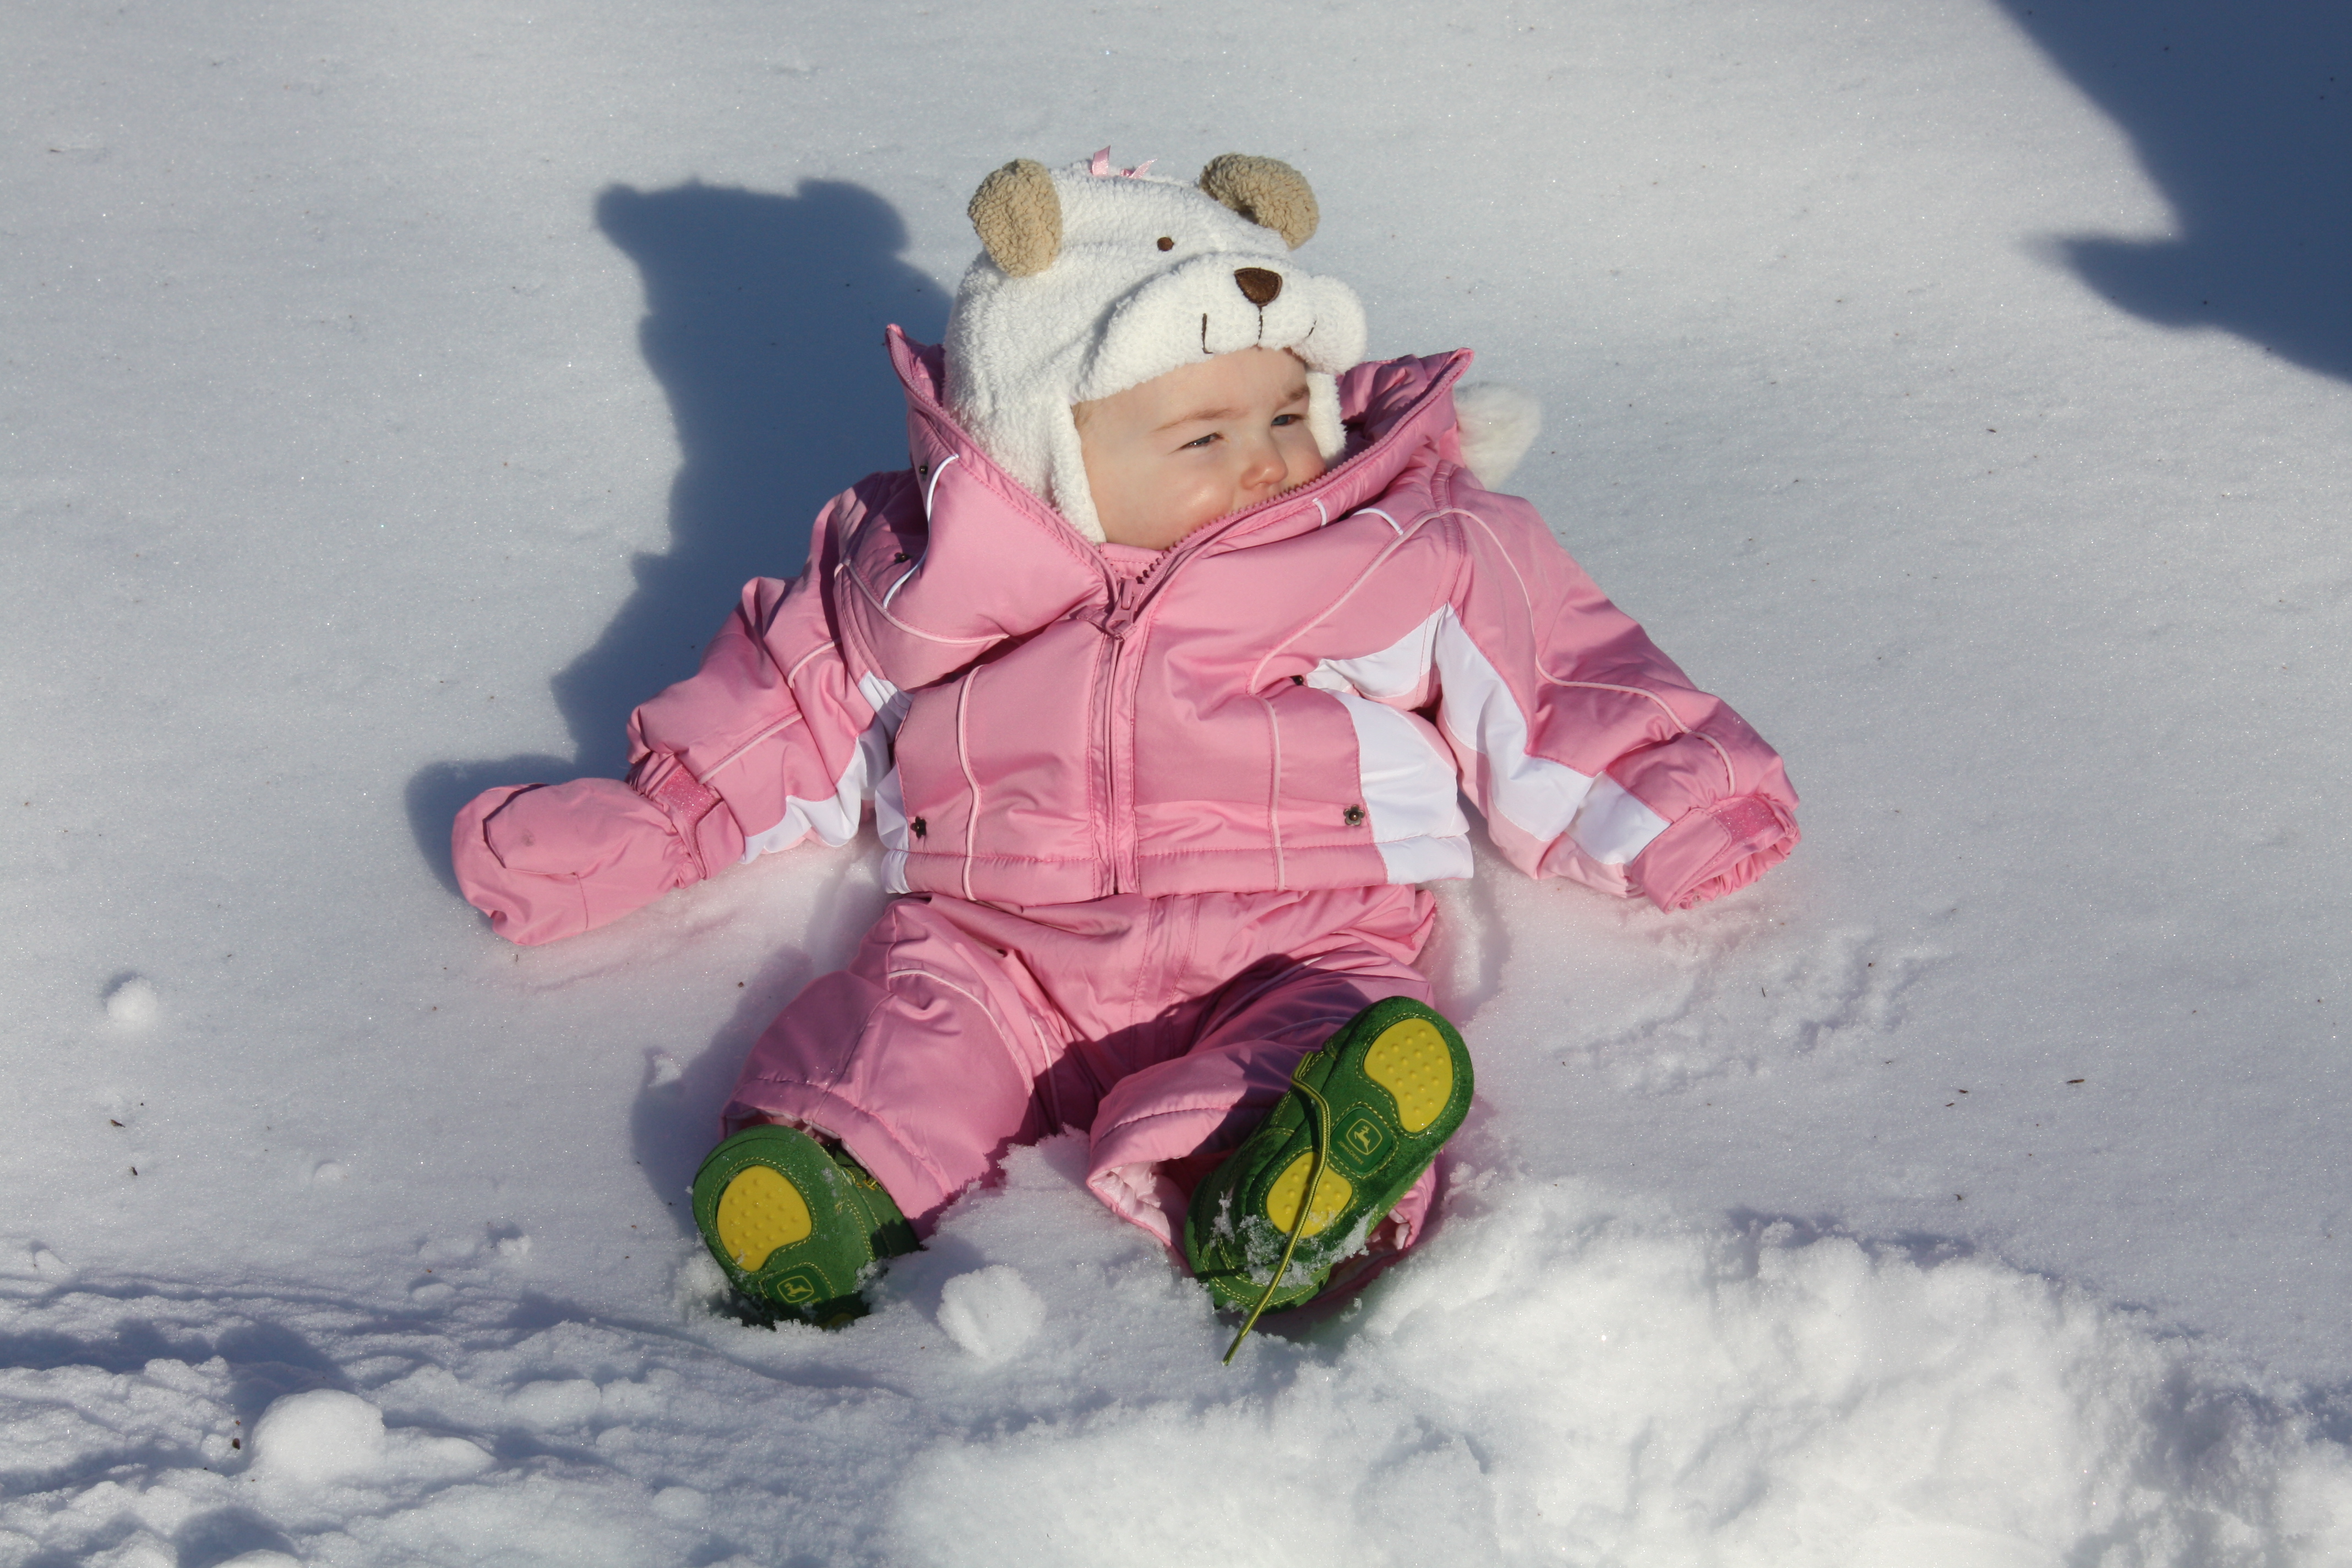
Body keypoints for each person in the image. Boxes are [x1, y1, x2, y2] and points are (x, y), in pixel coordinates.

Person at [451, 150, 1800, 1349]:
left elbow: (1545, 656)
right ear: (1049, 447)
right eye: (1204, 437)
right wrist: (648, 829)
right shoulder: (928, 572)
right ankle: (826, 1184)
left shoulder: (1382, 544)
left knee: (1321, 1034)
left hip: (1291, 926)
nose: (1267, 463)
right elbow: (785, 708)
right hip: (999, 943)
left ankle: (1286, 1185)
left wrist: (1675, 793)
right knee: (899, 1034)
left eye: (1287, 416)